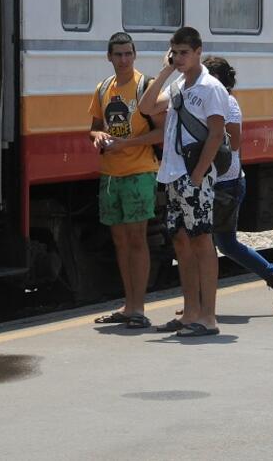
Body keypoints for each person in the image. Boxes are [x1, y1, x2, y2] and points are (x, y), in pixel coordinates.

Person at [139, 27, 230, 338]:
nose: (178, 58)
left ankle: (208, 317)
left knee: (202, 241)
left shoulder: (210, 87)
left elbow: (217, 133)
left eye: (184, 53)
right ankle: (189, 311)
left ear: (198, 51)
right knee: (180, 240)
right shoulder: (178, 84)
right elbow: (146, 107)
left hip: (195, 177)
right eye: (174, 52)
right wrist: (165, 71)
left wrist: (198, 174)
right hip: (173, 174)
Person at [204, 56, 273, 312]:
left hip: (224, 183)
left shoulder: (228, 103)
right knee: (223, 243)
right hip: (223, 182)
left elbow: (233, 142)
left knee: (211, 244)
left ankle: (201, 302)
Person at [89, 32, 165, 329]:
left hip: (139, 172)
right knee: (120, 241)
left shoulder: (144, 87)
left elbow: (161, 132)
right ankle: (128, 304)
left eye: (128, 54)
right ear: (109, 57)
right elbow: (94, 128)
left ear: (134, 56)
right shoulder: (102, 89)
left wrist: (127, 145)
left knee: (137, 239)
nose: (123, 59)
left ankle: (139, 307)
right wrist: (99, 137)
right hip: (110, 174)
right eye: (118, 54)